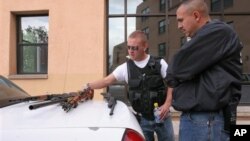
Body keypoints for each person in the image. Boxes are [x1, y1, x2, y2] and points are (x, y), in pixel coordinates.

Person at [166, 0, 243, 141]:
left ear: (196, 16)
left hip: (206, 121)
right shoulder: (211, 36)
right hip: (205, 121)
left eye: (181, 20)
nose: (179, 26)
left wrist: (179, 77)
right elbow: (175, 74)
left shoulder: (218, 32)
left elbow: (174, 69)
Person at [83, 30, 175, 141]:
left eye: (134, 48)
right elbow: (106, 81)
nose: (131, 51)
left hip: (162, 117)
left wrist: (167, 104)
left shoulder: (159, 63)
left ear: (145, 46)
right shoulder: (125, 68)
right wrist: (88, 86)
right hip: (142, 120)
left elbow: (172, 82)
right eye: (129, 47)